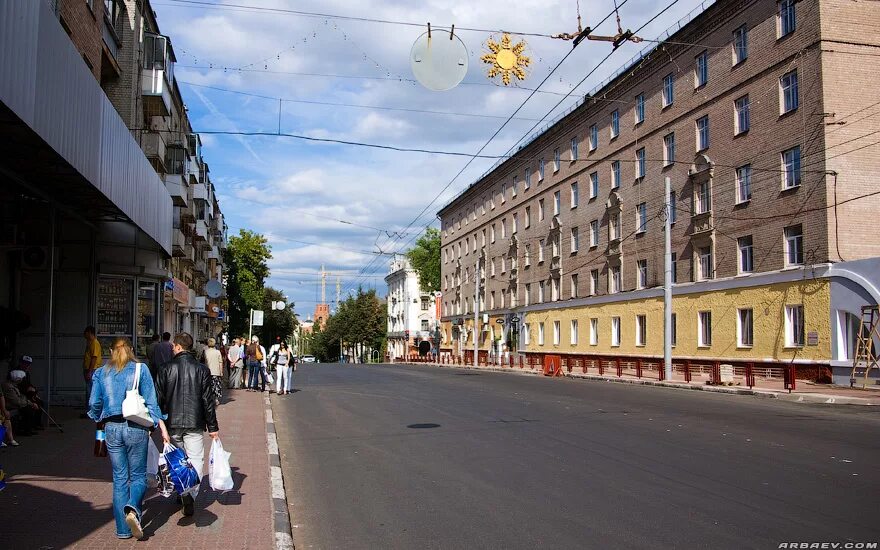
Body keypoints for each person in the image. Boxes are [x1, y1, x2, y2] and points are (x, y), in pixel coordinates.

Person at [87, 337, 165, 541]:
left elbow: (94, 402)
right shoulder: (141, 369)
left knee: (119, 478)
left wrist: (98, 417)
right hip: (136, 427)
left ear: (111, 351)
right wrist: (157, 423)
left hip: (111, 428)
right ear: (130, 350)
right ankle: (133, 509)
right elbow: (151, 400)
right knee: (138, 476)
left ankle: (122, 530)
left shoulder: (101, 372)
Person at [155, 332, 219, 517]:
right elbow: (208, 401)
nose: (172, 348)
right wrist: (213, 427)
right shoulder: (202, 370)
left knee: (177, 460)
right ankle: (190, 493)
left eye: (174, 346)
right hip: (195, 423)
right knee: (196, 459)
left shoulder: (165, 368)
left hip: (172, 424)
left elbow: (157, 400)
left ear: (178, 347)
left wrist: (158, 425)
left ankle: (183, 492)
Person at [2, 370, 36, 437]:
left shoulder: (13, 385)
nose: (22, 380)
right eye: (21, 378)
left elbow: (20, 397)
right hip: (10, 405)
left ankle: (28, 429)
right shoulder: (8, 386)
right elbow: (16, 401)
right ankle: (25, 430)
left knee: (30, 408)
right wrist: (29, 403)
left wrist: (29, 402)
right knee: (28, 409)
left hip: (15, 404)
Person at [82, 326, 102, 418]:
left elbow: (94, 358)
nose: (84, 335)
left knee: (90, 391)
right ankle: (90, 411)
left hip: (92, 370)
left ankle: (91, 412)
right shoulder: (90, 343)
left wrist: (89, 371)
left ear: (89, 332)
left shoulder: (94, 343)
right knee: (89, 390)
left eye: (85, 333)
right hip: (90, 369)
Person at [203, 338, 223, 406]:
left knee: (208, 386)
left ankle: (209, 398)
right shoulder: (218, 352)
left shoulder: (205, 352)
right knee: (216, 385)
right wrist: (221, 372)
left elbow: (202, 361)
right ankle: (216, 399)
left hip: (207, 371)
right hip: (216, 371)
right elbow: (220, 362)